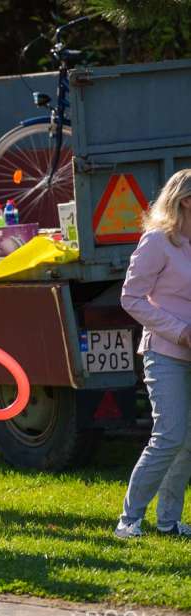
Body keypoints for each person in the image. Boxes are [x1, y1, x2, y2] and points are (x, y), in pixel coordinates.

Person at [114, 168, 191, 540]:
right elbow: (129, 298)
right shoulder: (158, 241)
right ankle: (129, 519)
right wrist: (181, 332)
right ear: (187, 200)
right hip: (165, 351)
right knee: (170, 435)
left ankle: (169, 521)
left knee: (187, 441)